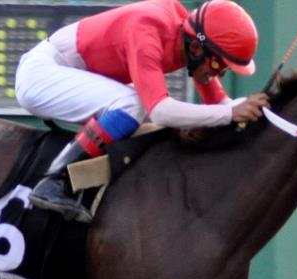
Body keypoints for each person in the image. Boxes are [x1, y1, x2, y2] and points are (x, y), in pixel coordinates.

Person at [14, 0, 270, 223]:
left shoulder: (191, 35)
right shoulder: (147, 30)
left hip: (69, 73)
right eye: (218, 65)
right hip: (41, 76)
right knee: (134, 105)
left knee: (146, 116)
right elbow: (160, 110)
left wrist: (252, 109)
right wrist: (230, 114)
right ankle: (55, 180)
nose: (219, 74)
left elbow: (221, 104)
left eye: (225, 69)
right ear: (196, 48)